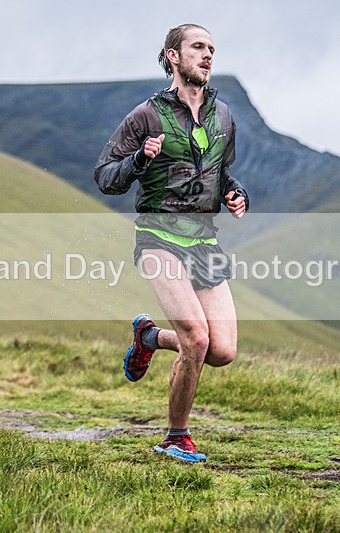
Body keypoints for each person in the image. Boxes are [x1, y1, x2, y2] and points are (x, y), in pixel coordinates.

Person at [94, 23, 249, 463]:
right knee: (196, 339)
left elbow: (221, 174)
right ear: (172, 57)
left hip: (203, 242)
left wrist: (235, 194)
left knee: (222, 351)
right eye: (198, 47)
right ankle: (175, 437)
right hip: (159, 237)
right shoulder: (145, 115)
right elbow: (105, 176)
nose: (207, 55)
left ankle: (148, 338)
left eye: (212, 49)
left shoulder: (224, 116)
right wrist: (140, 158)